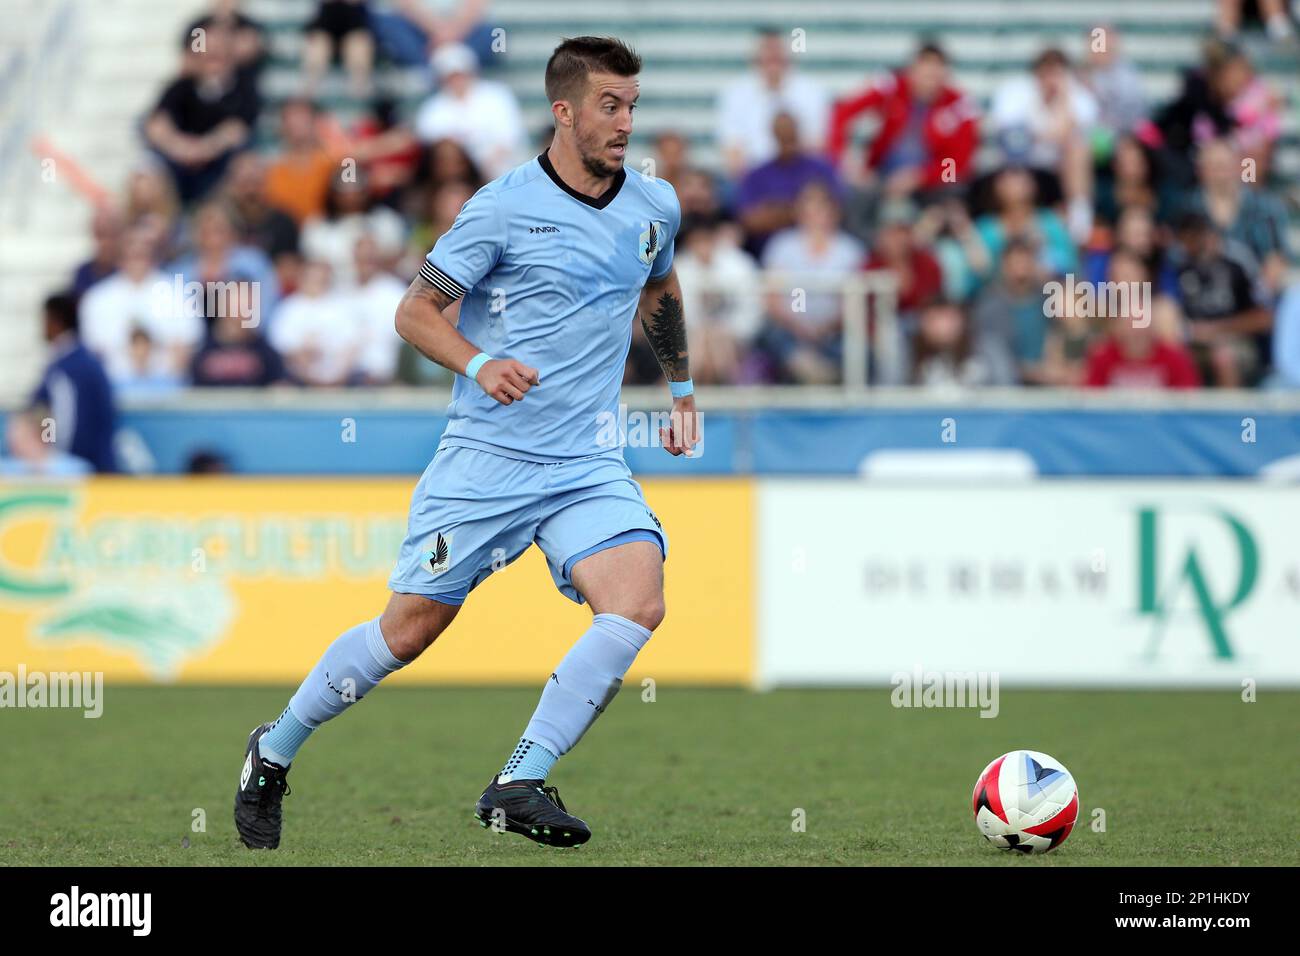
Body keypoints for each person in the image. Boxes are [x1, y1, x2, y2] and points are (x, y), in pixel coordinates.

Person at [233, 36, 700, 852]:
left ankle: (519, 779)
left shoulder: (652, 207)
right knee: (406, 633)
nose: (626, 122)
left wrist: (684, 389)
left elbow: (658, 288)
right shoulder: (502, 207)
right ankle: (272, 751)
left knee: (638, 600)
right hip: (487, 460)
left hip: (586, 461)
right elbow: (414, 312)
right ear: (564, 111)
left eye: (632, 104)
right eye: (609, 106)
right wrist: (480, 362)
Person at [714, 28, 829, 180]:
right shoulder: (735, 94)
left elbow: (817, 144)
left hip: (800, 175)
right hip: (752, 178)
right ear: (756, 57)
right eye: (768, 51)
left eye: (777, 52)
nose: (773, 57)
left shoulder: (812, 92)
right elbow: (731, 150)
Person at [29, 294, 118, 473]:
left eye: (45, 319)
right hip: (98, 463)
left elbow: (64, 418)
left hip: (82, 469)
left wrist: (54, 454)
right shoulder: (85, 360)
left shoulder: (67, 368)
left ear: (55, 321)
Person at [412, 42, 525, 179]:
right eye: (451, 75)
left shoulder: (498, 95)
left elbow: (509, 138)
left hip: (502, 172)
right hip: (457, 178)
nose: (457, 80)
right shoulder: (432, 108)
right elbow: (434, 147)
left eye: (461, 74)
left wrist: (484, 168)